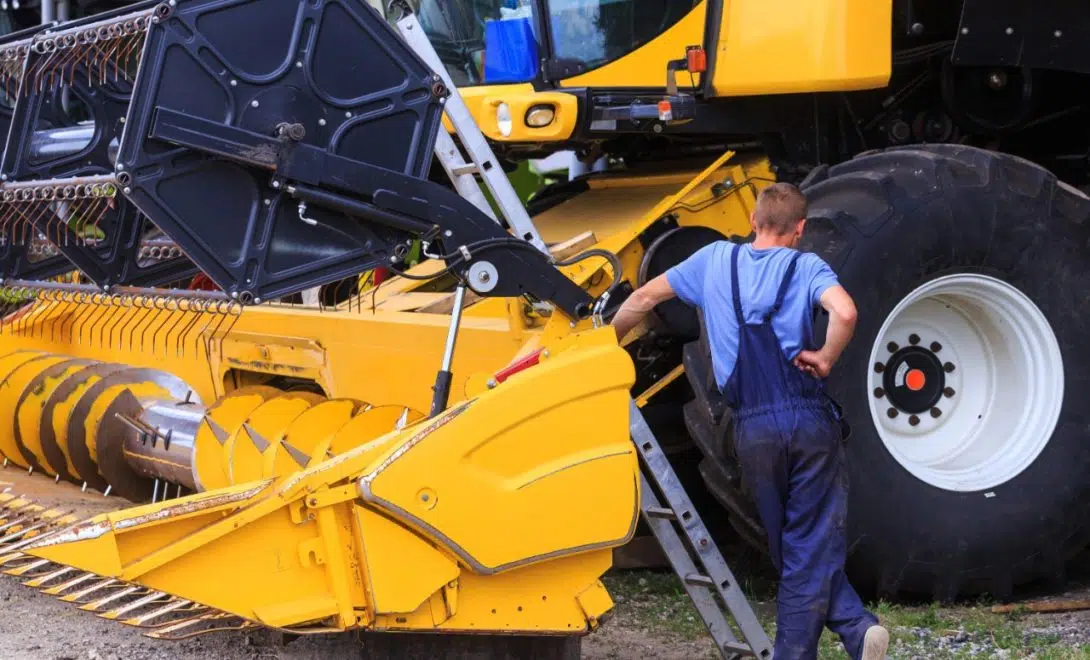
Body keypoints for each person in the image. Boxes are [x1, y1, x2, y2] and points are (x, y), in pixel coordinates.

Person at [610, 183, 889, 660]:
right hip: (805, 417)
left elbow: (642, 300)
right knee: (802, 545)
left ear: (754, 222)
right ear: (799, 229)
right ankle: (853, 626)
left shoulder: (713, 260)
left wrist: (603, 348)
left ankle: (851, 631)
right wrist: (824, 357)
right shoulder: (805, 266)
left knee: (787, 543)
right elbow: (845, 311)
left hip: (751, 428)